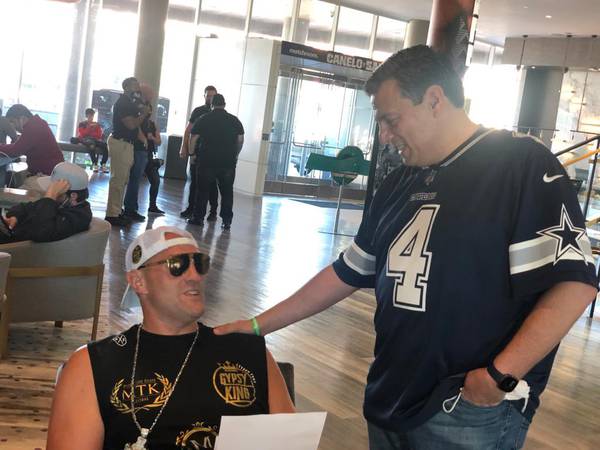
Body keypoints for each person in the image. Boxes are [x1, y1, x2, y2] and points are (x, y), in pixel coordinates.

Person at [214, 45, 598, 449]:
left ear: (434, 99)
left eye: (391, 120)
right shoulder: (399, 183)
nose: (384, 135)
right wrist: (257, 327)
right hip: (390, 395)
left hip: (467, 409)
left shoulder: (520, 164)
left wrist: (499, 376)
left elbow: (574, 284)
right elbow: (347, 272)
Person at [46, 226, 294, 449]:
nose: (195, 275)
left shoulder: (248, 351)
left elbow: (292, 442)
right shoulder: (94, 363)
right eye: (178, 265)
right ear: (138, 281)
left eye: (200, 263)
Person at [188, 94, 244, 230]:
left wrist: (192, 154)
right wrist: (235, 154)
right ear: (224, 104)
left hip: (206, 161)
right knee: (227, 192)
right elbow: (240, 139)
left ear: (212, 105)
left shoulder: (204, 118)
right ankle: (226, 221)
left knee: (202, 191)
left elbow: (193, 137)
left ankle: (198, 218)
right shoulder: (234, 120)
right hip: (227, 162)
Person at [0, 161, 92, 243]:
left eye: (55, 190)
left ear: (73, 196)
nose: (47, 191)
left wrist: (50, 196)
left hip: (17, 250)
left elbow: (41, 232)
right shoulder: (60, 204)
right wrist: (15, 217)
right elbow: (24, 207)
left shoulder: (79, 217)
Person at [105, 77, 146, 227]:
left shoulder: (130, 103)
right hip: (120, 142)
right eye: (134, 85)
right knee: (118, 179)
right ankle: (112, 214)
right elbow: (131, 125)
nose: (137, 87)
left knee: (122, 179)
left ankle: (117, 210)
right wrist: (143, 114)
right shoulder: (123, 103)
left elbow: (135, 126)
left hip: (126, 144)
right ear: (126, 87)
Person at [0, 104, 64, 189]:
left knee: (19, 193)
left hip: (47, 176)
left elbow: (16, 150)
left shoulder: (34, 127)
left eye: (13, 122)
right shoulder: (36, 124)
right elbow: (18, 146)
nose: (13, 126)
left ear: (22, 118)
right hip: (50, 173)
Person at [180, 85, 219, 220]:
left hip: (212, 153)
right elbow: (188, 131)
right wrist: (184, 147)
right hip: (197, 152)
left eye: (212, 96)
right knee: (194, 182)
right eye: (208, 96)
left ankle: (213, 212)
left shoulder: (219, 114)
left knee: (212, 184)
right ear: (204, 96)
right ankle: (191, 208)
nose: (210, 98)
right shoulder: (198, 111)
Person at [143, 104, 165, 215]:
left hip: (150, 155)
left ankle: (152, 205)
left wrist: (151, 137)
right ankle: (130, 207)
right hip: (139, 154)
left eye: (149, 110)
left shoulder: (152, 124)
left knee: (156, 181)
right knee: (134, 181)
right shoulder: (138, 123)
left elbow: (159, 142)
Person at [75, 108, 108, 173]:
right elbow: (83, 133)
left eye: (92, 115)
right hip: (86, 140)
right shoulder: (82, 124)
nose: (91, 117)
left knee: (105, 146)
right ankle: (95, 165)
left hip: (95, 140)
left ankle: (103, 164)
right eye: (89, 115)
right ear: (86, 116)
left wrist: (91, 133)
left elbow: (99, 135)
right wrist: (90, 128)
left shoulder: (96, 124)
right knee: (91, 146)